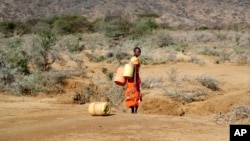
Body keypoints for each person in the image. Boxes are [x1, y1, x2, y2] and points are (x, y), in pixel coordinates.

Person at [125, 47, 142, 114]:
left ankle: (132, 110)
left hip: (130, 79)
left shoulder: (132, 59)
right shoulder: (135, 60)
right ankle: (135, 110)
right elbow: (135, 71)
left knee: (130, 93)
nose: (138, 53)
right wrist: (135, 81)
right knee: (136, 93)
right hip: (134, 78)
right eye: (137, 52)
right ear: (134, 52)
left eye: (139, 52)